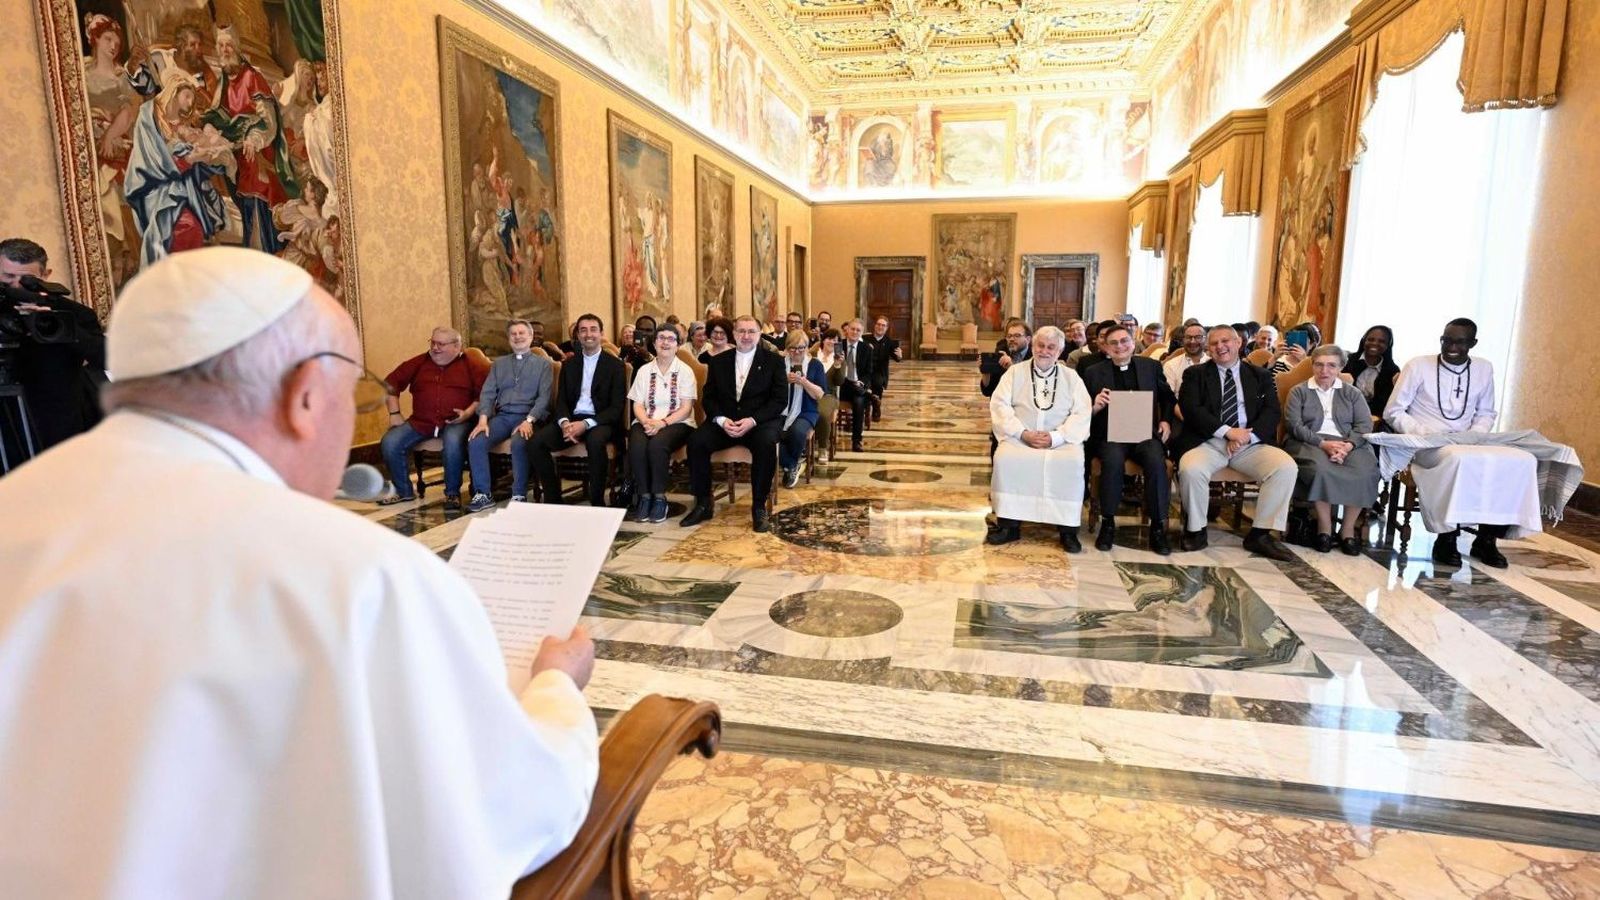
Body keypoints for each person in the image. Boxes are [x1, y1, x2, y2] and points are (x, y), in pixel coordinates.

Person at [0, 247, 599, 896]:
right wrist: (557, 688)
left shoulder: (16, 507)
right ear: (306, 394)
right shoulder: (362, 579)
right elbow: (505, 812)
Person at [1383, 318, 1540, 568]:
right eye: (1446, 340)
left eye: (1459, 341)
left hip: (1471, 440)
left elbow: (1487, 412)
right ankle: (1447, 538)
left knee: (1522, 460)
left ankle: (1487, 539)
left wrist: (1475, 434)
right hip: (1428, 442)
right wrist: (1423, 432)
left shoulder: (1484, 368)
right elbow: (1394, 411)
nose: (1451, 346)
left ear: (1473, 343)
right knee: (1457, 459)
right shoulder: (1418, 365)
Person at [1173, 326, 1298, 561]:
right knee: (1191, 469)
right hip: (1208, 441)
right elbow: (1192, 410)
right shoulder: (1196, 374)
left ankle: (1260, 534)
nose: (1220, 347)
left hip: (1250, 443)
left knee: (1285, 467)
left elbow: (1272, 412)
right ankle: (1196, 530)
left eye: (1226, 341)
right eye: (1214, 343)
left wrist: (1245, 437)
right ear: (1208, 348)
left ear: (1239, 343)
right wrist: (1228, 432)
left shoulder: (1260, 375)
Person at [987, 326, 1093, 553]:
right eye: (1040, 346)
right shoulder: (1014, 373)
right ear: (1033, 346)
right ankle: (1008, 525)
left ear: (1060, 350)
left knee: (1072, 463)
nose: (1045, 351)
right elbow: (999, 404)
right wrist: (1022, 433)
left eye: (1051, 347)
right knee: (1006, 458)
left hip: (1061, 440)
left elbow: (1082, 412)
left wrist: (1056, 437)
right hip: (1020, 436)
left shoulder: (1071, 377)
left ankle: (1067, 530)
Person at [680, 315, 788, 532]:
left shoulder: (773, 361)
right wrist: (721, 420)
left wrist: (752, 420)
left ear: (759, 335)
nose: (746, 336)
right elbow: (708, 398)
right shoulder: (719, 361)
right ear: (735, 334)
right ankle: (703, 503)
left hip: (759, 422)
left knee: (766, 443)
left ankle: (759, 507)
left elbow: (779, 400)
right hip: (726, 421)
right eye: (741, 331)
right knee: (696, 441)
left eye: (751, 332)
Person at [0, 239, 107, 455]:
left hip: (58, 427)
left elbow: (106, 357)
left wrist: (58, 325)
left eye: (26, 280)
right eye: (8, 277)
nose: (16, 286)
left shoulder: (74, 314)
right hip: (6, 421)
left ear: (45, 275)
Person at [1082, 325, 1177, 554]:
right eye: (1113, 343)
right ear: (1105, 347)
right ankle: (1108, 523)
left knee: (1156, 462)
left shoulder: (1151, 367)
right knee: (1112, 461)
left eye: (1124, 341)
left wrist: (1164, 421)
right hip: (1109, 434)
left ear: (1133, 343)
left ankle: (1157, 528)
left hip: (1143, 433)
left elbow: (1167, 397)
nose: (1120, 347)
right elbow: (1080, 409)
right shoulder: (1093, 372)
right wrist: (1095, 406)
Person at [1284, 345, 1380, 555]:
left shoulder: (1352, 393)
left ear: (1341, 368)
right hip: (1309, 442)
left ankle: (1347, 530)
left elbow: (1364, 425)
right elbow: (1294, 426)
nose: (1324, 370)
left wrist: (1348, 446)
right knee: (1320, 469)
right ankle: (1324, 528)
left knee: (1365, 470)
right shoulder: (1299, 391)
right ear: (1312, 365)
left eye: (1331, 365)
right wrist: (1323, 444)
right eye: (1319, 364)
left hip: (1349, 443)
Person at [377, 326, 488, 507]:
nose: (435, 348)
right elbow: (390, 383)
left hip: (457, 421)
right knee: (390, 441)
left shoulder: (472, 365)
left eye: (441, 344)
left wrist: (467, 413)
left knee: (452, 441)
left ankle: (452, 494)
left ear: (457, 346)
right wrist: (394, 413)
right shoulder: (419, 362)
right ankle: (403, 491)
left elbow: (485, 394)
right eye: (433, 342)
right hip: (422, 421)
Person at [530, 314, 628, 508]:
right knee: (536, 443)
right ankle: (553, 498)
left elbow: (616, 408)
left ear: (601, 333)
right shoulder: (569, 365)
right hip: (572, 419)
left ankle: (597, 500)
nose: (588, 334)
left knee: (595, 440)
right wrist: (565, 423)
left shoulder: (616, 366)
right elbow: (562, 401)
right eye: (583, 330)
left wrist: (585, 424)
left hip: (601, 421)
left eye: (593, 329)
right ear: (578, 335)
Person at [463, 320, 554, 511]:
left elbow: (544, 398)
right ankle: (483, 494)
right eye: (513, 334)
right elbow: (487, 393)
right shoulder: (499, 364)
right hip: (503, 417)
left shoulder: (544, 365)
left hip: (529, 417)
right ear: (509, 338)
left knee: (519, 441)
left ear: (531, 337)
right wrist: (482, 420)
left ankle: (519, 493)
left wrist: (529, 420)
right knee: (476, 439)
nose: (518, 337)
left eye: (522, 333)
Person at [626, 325, 697, 523]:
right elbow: (637, 404)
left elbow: (686, 408)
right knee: (637, 444)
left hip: (677, 422)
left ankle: (659, 498)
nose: (665, 342)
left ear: (678, 344)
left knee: (657, 445)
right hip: (646, 419)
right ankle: (644, 496)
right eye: (661, 338)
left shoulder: (685, 371)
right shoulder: (643, 371)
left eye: (671, 339)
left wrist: (662, 423)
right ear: (655, 343)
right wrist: (646, 421)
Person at [778, 331, 827, 488]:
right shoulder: (779, 363)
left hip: (806, 410)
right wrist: (782, 381)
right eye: (792, 348)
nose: (797, 352)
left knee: (797, 431)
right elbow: (766, 389)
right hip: (780, 409)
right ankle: (792, 465)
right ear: (787, 348)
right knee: (769, 433)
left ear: (807, 347)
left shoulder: (815, 365)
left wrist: (804, 382)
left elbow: (819, 394)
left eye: (801, 348)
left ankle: (789, 465)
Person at [1344, 324, 1400, 417]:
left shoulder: (1392, 370)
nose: (1375, 343)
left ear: (1388, 345)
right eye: (1370, 339)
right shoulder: (1346, 361)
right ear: (1364, 341)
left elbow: (1386, 404)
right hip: (1344, 412)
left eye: (1382, 341)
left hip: (1373, 417)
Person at [838, 319, 876, 453]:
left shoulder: (866, 348)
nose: (855, 332)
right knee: (857, 391)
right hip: (840, 386)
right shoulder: (838, 345)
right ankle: (870, 396)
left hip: (857, 387)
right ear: (847, 330)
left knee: (859, 403)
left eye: (858, 330)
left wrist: (861, 382)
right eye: (852, 329)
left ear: (862, 333)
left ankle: (856, 441)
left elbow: (868, 372)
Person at [811, 327, 843, 462]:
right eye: (829, 338)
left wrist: (837, 366)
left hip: (829, 396)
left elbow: (839, 381)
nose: (832, 342)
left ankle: (823, 448)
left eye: (836, 340)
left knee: (822, 413)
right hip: (809, 393)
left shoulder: (840, 360)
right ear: (823, 340)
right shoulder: (811, 355)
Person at [863, 315, 901, 422]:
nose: (880, 327)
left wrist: (899, 356)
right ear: (875, 326)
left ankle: (876, 408)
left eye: (883, 325)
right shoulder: (865, 339)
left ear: (886, 328)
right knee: (862, 383)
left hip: (879, 372)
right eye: (878, 324)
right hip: (865, 370)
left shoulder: (889, 342)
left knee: (878, 383)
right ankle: (866, 405)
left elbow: (897, 358)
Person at [980, 320, 1031, 398]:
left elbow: (1030, 388)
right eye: (1009, 336)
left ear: (1028, 339)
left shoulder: (1035, 356)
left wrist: (1011, 367)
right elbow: (988, 391)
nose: (1011, 339)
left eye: (1017, 335)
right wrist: (986, 373)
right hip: (1004, 404)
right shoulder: (1003, 354)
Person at [1163, 321, 1209, 393]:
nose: (1192, 341)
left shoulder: (1214, 364)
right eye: (1188, 337)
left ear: (1206, 340)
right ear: (1183, 340)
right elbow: (1168, 397)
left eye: (1198, 337)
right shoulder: (1171, 365)